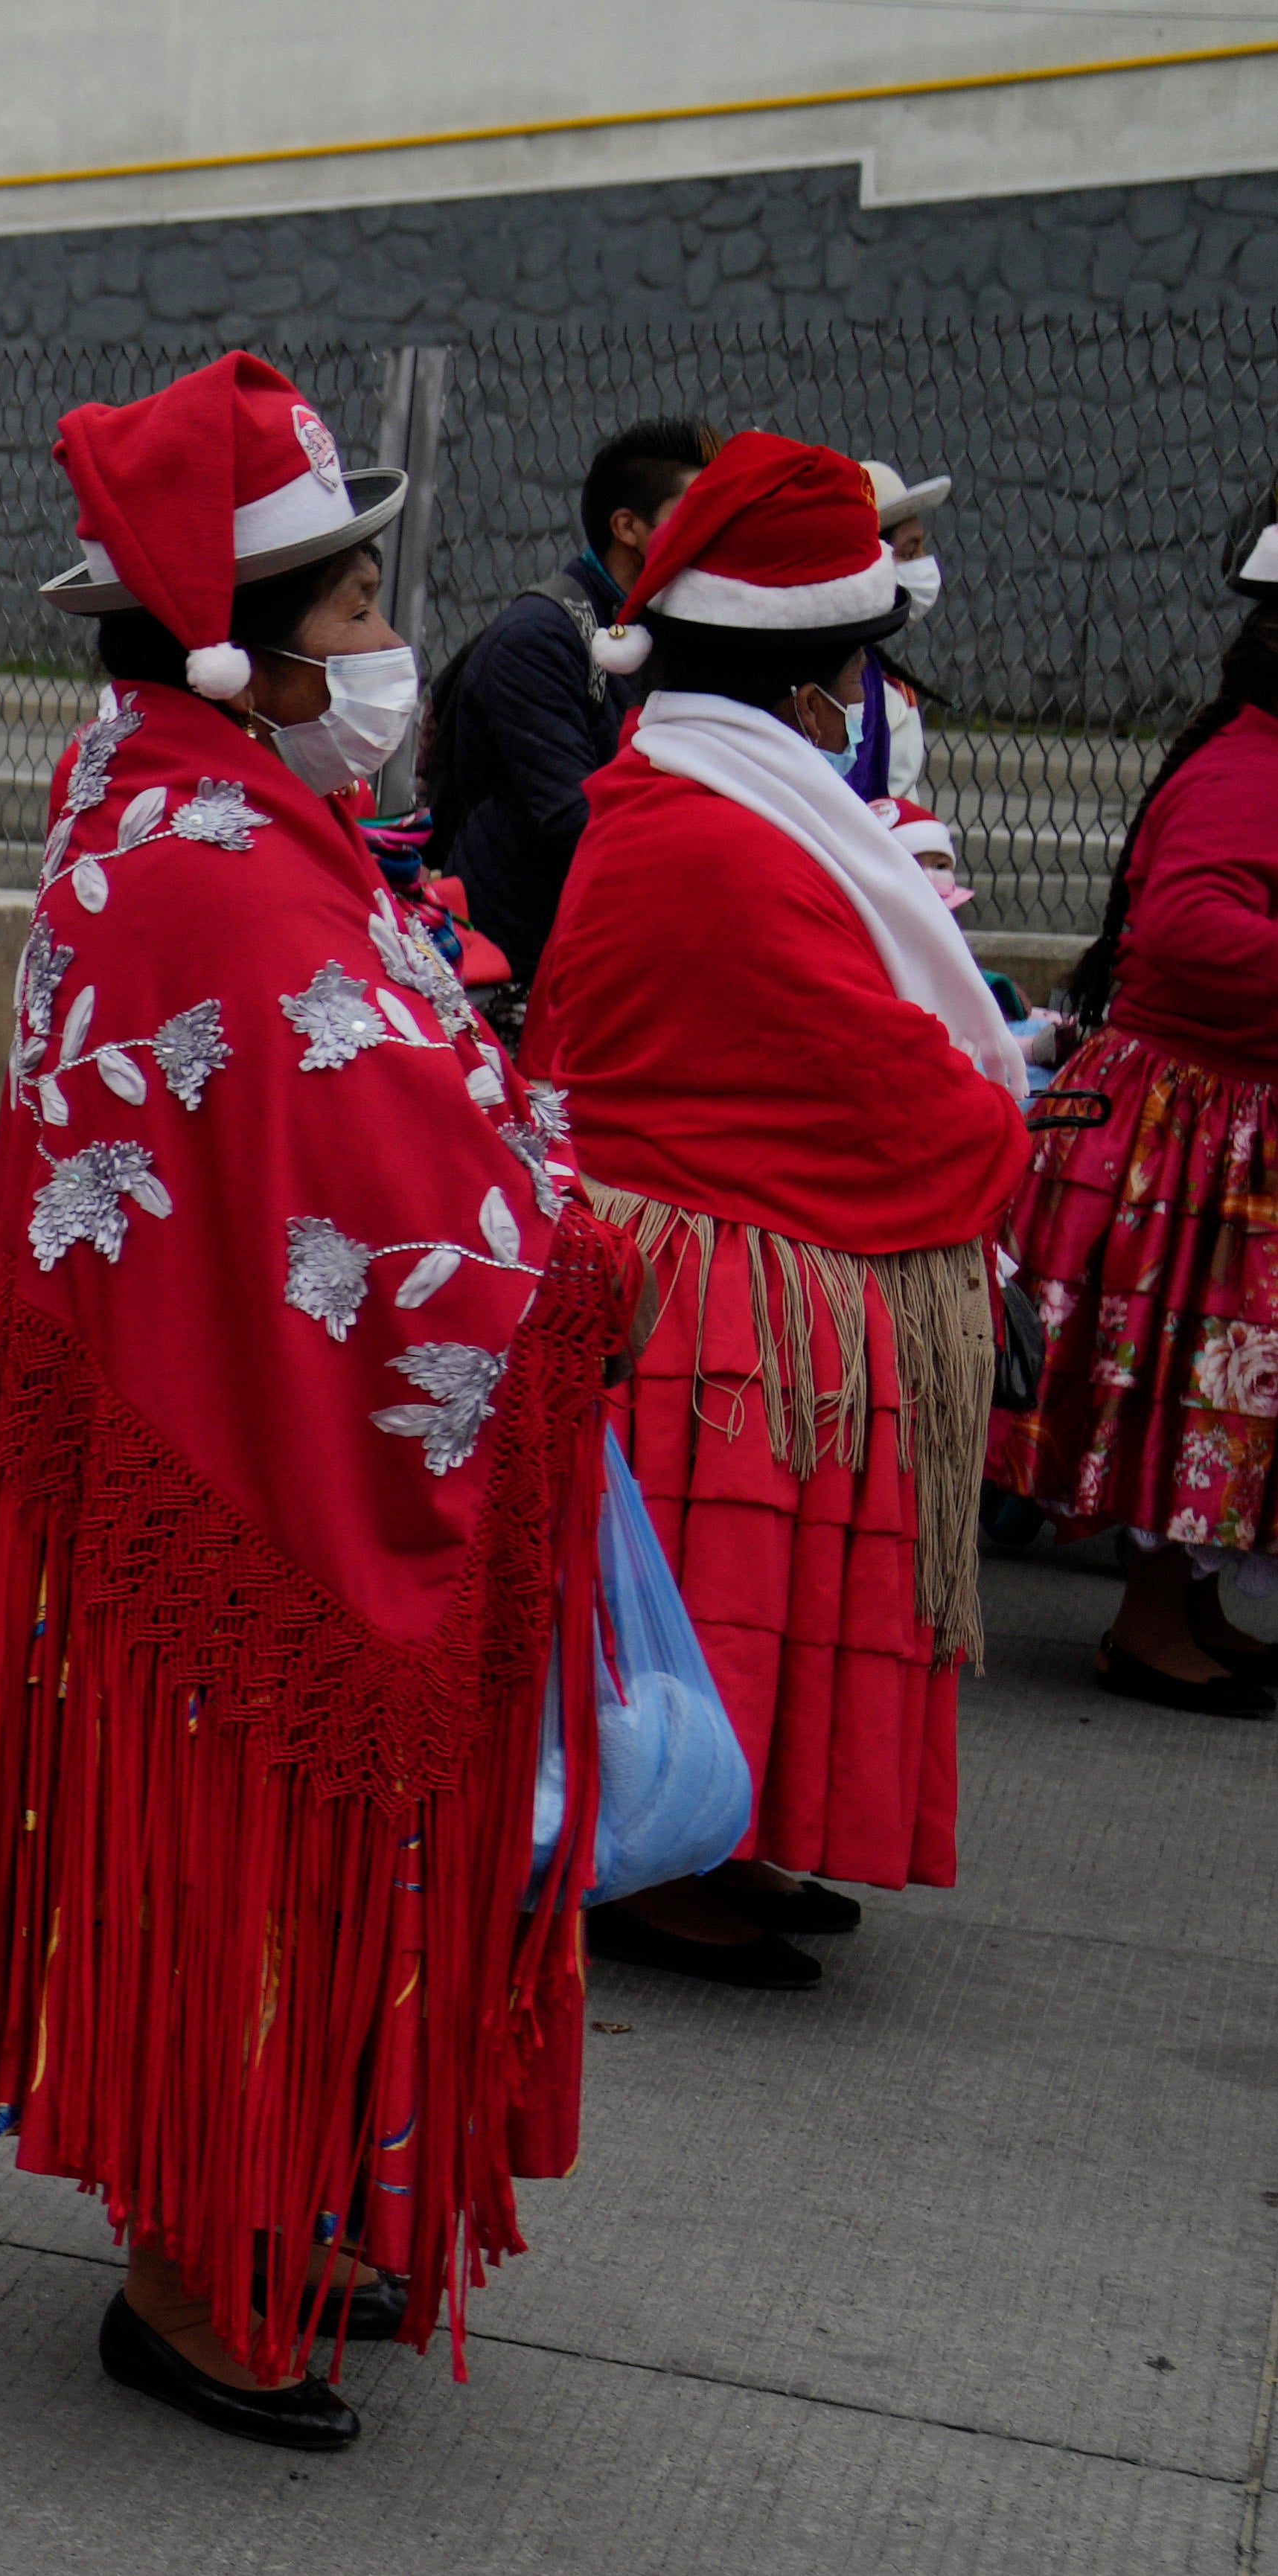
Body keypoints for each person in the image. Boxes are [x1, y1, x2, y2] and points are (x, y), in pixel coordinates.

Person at [0, 352, 615, 2452]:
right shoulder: (213, 864)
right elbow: (371, 1164)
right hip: (239, 1472)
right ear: (237, 647)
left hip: (223, 1438)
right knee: (238, 1859)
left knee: (274, 1858)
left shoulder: (202, 803)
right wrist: (563, 1243)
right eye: (353, 607)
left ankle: (268, 2197)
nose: (385, 641)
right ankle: (195, 2253)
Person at [529, 435, 1029, 1979]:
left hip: (727, 1263)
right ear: (808, 687)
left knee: (735, 1592)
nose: (859, 700)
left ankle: (717, 1831)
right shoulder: (707, 832)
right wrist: (991, 1117)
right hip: (710, 1287)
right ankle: (652, 1854)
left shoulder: (704, 797)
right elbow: (863, 1068)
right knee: (716, 1593)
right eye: (851, 672)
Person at [997, 489, 1278, 1713]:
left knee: (1221, 1380)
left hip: (1220, 1123)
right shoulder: (1247, 772)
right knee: (1195, 1374)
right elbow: (1190, 932)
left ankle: (1194, 1605)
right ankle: (1149, 1622)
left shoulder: (1250, 756)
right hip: (1201, 1139)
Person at [428, 416, 709, 999]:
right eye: (693, 514)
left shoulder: (653, 626)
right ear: (626, 527)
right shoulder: (539, 637)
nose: (710, 534)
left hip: (589, 947)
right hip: (517, 969)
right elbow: (570, 817)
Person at [839, 461, 948, 812]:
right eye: (911, 551)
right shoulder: (849, 688)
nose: (925, 563)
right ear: (873, 561)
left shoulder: (879, 682)